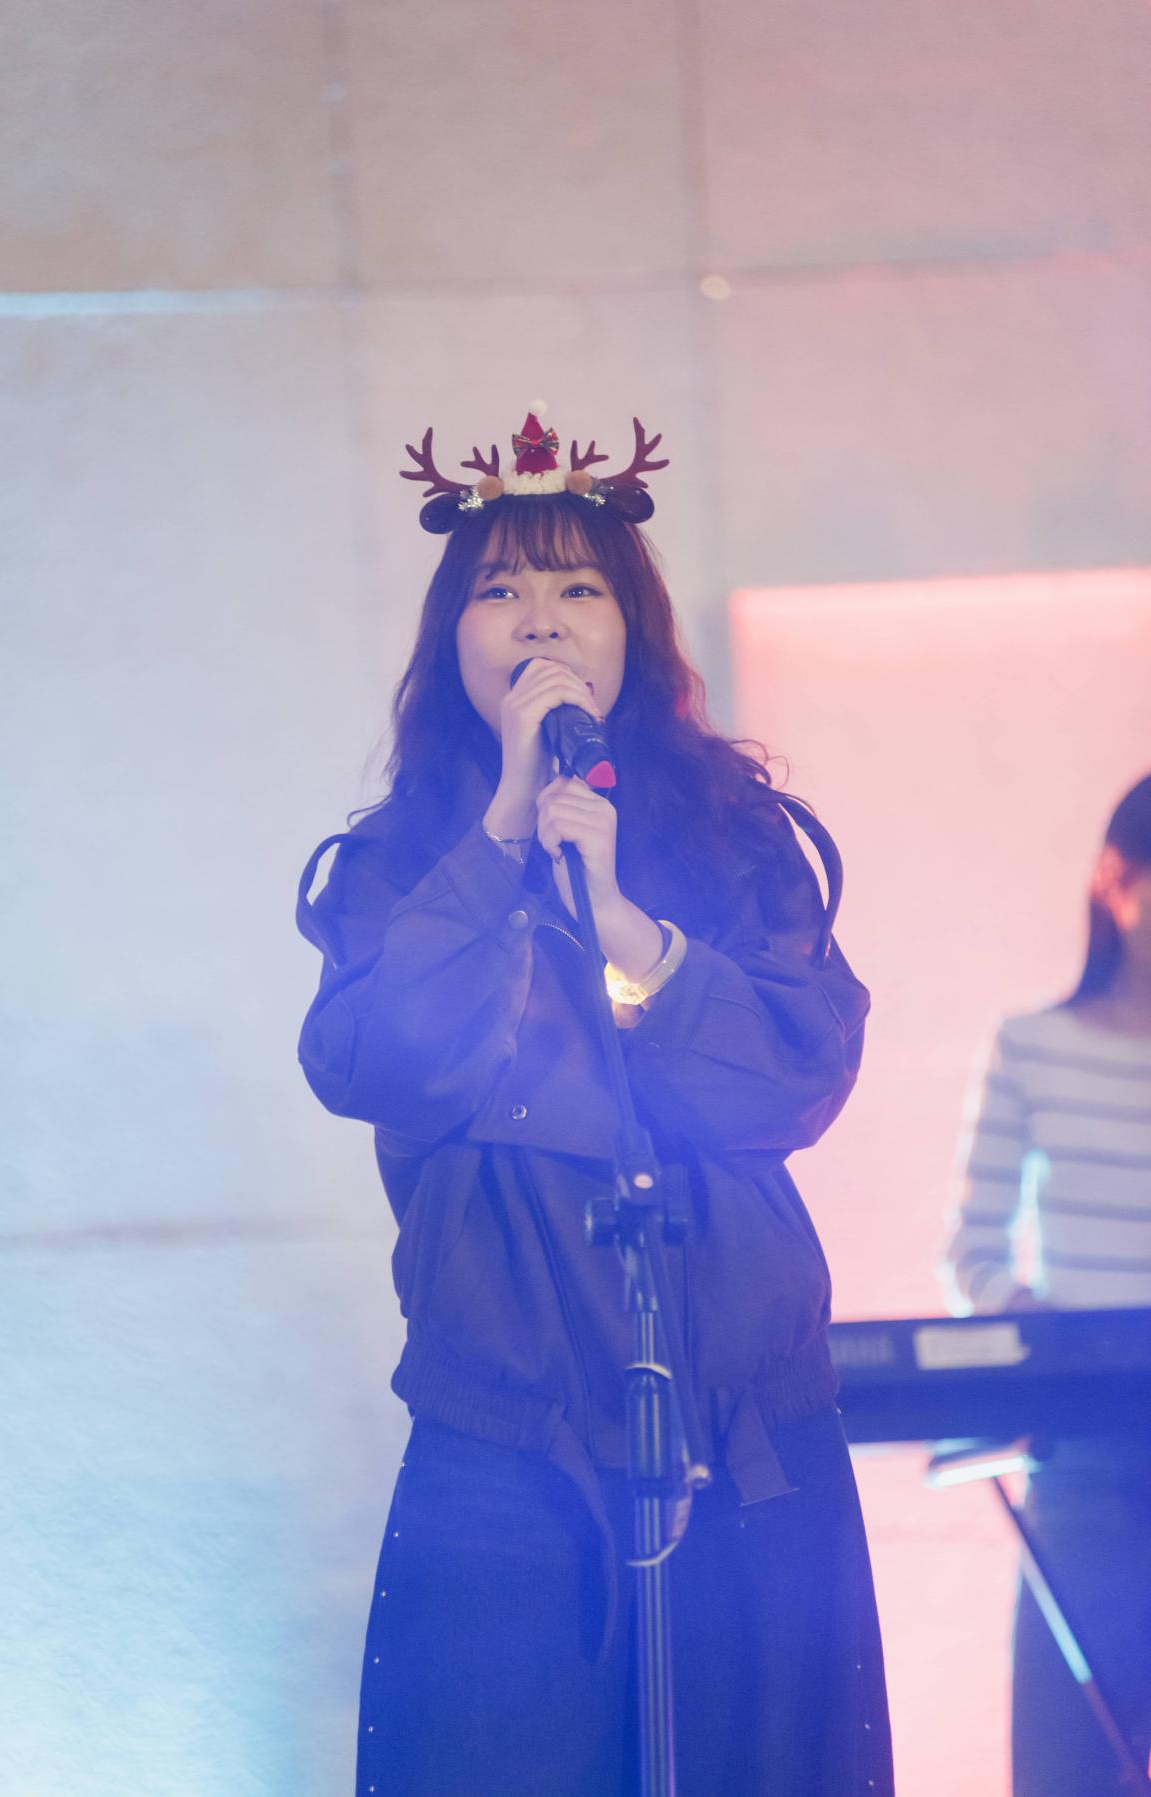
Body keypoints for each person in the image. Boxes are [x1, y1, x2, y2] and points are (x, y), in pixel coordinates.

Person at [296, 407, 893, 1796]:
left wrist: (628, 923)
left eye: (578, 588)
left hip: (749, 1428)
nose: (542, 621)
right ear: (453, 635)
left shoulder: (741, 838)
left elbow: (801, 1073)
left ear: (636, 629)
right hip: (502, 1444)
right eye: (501, 590)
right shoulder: (393, 865)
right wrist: (504, 825)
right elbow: (376, 1060)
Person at [943, 773, 1151, 1797]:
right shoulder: (1034, 1045)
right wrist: (1041, 1333)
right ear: (1117, 881)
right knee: (1070, 1765)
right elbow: (972, 1250)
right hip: (1087, 1449)